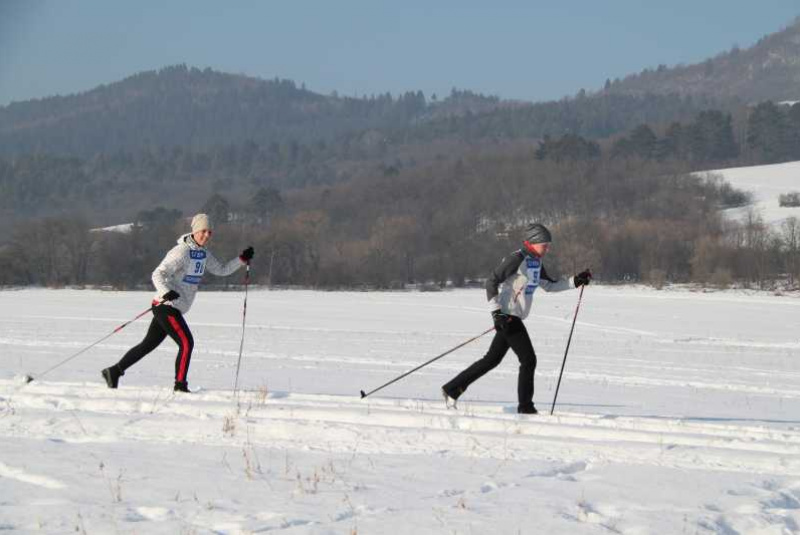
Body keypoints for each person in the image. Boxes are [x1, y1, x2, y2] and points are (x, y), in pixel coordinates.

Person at [441, 223, 591, 414]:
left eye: (548, 244)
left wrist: (576, 281)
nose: (547, 248)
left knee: (491, 360)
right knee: (529, 360)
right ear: (533, 242)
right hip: (508, 317)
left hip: (514, 316)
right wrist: (497, 313)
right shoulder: (516, 258)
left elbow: (550, 285)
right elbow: (492, 281)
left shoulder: (535, 262)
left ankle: (452, 389)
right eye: (544, 244)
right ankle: (526, 407)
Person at [101, 213, 254, 392]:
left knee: (148, 344)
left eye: (209, 232)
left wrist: (241, 260)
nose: (206, 235)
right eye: (203, 231)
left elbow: (222, 270)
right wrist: (167, 292)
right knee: (186, 343)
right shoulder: (181, 251)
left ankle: (114, 371)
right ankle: (180, 385)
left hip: (175, 308)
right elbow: (158, 274)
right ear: (195, 231)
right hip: (167, 307)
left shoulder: (203, 254)